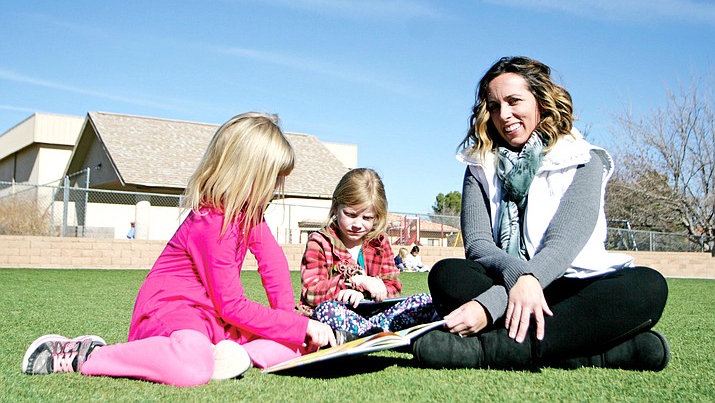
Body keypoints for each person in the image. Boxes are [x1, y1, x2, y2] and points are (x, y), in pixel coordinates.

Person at [22, 112, 336, 386]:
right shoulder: (211, 221)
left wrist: (291, 323)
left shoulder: (248, 212)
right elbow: (232, 305)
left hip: (211, 320)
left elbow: (274, 264)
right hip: (170, 313)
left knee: (297, 344)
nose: (277, 188)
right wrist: (296, 325)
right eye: (274, 178)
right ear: (247, 172)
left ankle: (226, 355)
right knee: (192, 367)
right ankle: (88, 355)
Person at [412, 56, 670, 371]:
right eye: (494, 106)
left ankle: (489, 350)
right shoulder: (478, 165)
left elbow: (563, 244)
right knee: (447, 274)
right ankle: (599, 353)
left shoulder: (585, 159)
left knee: (648, 286)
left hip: (570, 282)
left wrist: (492, 304)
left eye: (514, 101)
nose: (503, 115)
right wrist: (517, 279)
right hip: (504, 279)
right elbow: (478, 244)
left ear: (541, 102)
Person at [298, 168, 435, 341]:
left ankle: (368, 334)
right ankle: (376, 335)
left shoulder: (379, 242)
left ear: (376, 217)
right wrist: (355, 283)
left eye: (367, 218)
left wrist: (368, 293)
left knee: (424, 300)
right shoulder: (320, 241)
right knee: (326, 311)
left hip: (375, 315)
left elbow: (393, 287)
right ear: (335, 207)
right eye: (350, 214)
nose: (357, 224)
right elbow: (311, 292)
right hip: (337, 316)